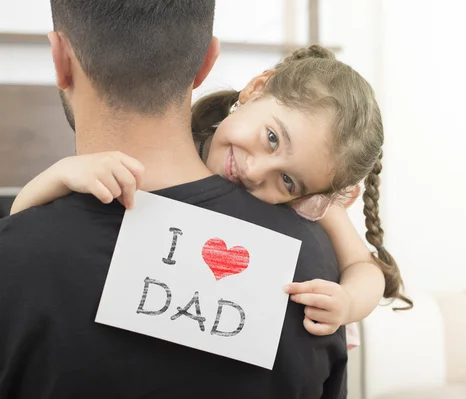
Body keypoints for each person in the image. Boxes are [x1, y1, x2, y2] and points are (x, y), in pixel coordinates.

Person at [0, 1, 345, 398]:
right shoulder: (316, 277)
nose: (255, 170)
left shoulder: (14, 257)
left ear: (59, 59)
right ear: (206, 62)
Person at [10, 45, 413, 350]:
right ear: (257, 89)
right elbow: (21, 227)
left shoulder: (305, 209)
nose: (256, 173)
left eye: (287, 181)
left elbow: (366, 268)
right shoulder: (158, 155)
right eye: (271, 138)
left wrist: (347, 304)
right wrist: (60, 174)